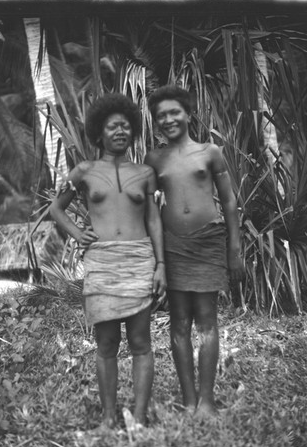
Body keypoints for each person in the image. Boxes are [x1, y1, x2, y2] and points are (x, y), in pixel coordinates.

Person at [49, 93, 166, 429]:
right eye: (113, 126)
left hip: (138, 260)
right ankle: (108, 417)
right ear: (98, 133)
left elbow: (154, 220)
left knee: (141, 342)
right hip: (101, 264)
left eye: (126, 126)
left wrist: (160, 265)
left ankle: (140, 417)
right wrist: (76, 233)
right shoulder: (84, 171)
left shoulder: (145, 173)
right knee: (106, 344)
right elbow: (56, 208)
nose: (120, 131)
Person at [145, 85, 244, 417]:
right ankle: (189, 401)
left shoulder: (209, 151)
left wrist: (234, 248)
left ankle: (207, 400)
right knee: (179, 323)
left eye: (175, 112)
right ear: (155, 121)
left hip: (208, 241)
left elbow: (229, 201)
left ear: (189, 114)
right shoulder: (154, 158)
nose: (169, 119)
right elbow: (150, 211)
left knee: (206, 321)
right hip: (173, 245)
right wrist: (155, 258)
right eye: (161, 115)